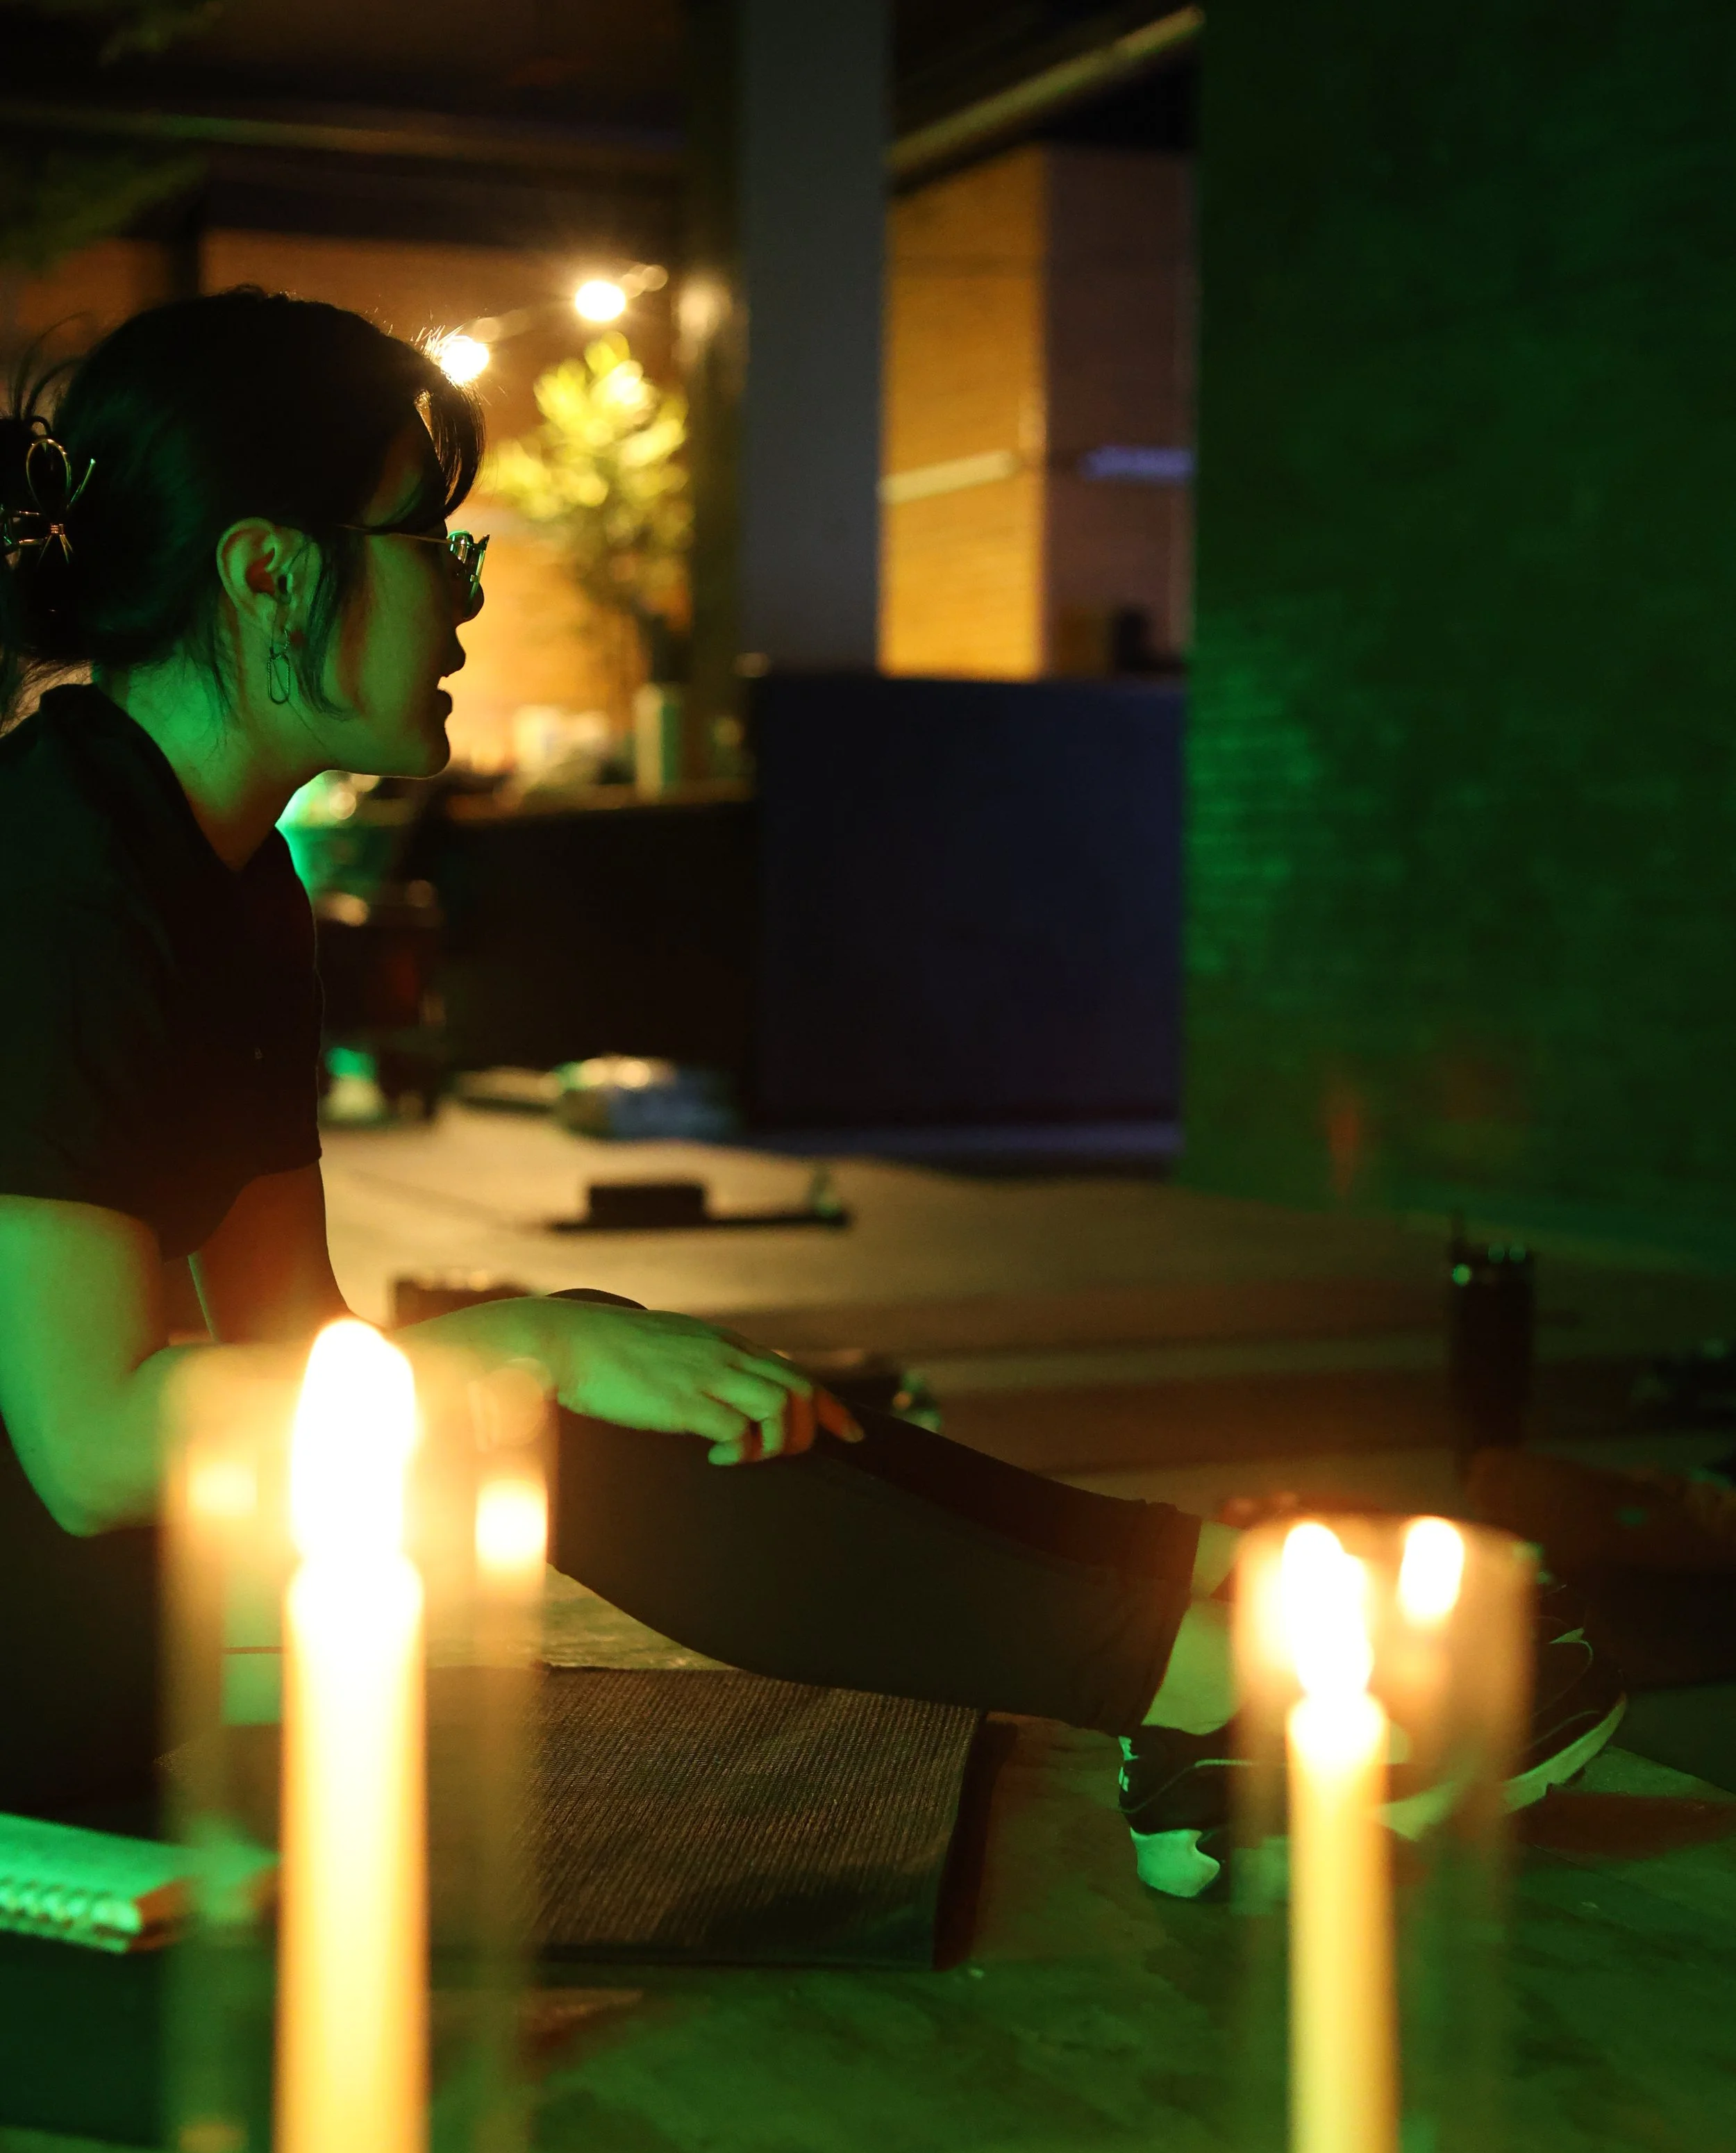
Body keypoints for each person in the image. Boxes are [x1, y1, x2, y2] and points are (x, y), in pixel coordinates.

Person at [0, 292, 1617, 1899]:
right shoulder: (56, 878)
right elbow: (86, 1444)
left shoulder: (222, 880)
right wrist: (531, 1344)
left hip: (99, 1650)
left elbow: (298, 1347)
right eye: (435, 540)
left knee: (592, 1370)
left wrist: (554, 1341)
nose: (466, 598)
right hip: (33, 1679)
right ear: (269, 569)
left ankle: (1230, 1610)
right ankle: (1251, 1694)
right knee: (540, 1379)